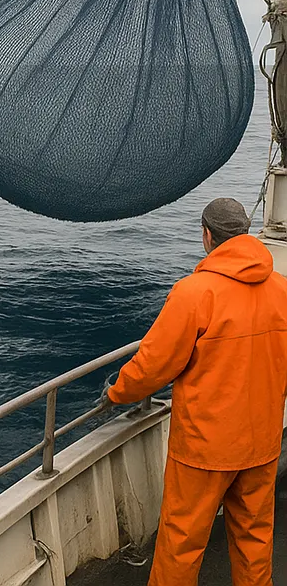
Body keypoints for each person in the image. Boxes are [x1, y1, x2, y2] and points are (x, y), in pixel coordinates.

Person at [104, 198, 287, 585]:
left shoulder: (194, 293)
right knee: (255, 539)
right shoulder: (282, 290)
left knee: (182, 544)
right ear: (245, 233)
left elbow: (154, 364)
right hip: (261, 444)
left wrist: (116, 392)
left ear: (207, 235)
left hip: (204, 450)